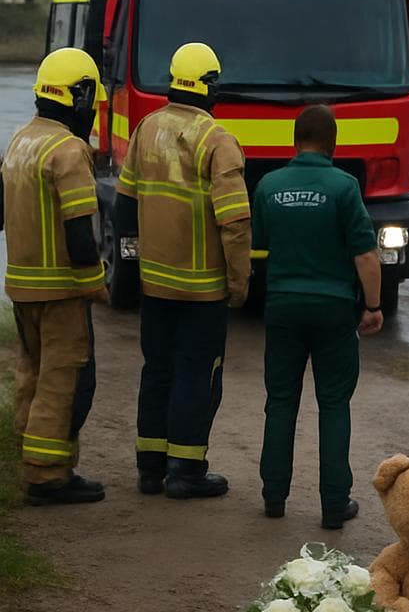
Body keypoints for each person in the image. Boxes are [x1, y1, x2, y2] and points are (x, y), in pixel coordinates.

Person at [115, 41, 251, 498]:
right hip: (202, 290)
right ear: (210, 85)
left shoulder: (146, 128)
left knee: (157, 370)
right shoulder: (218, 140)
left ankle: (150, 468)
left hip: (155, 284)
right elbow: (235, 223)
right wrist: (239, 282)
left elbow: (124, 207)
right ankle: (186, 472)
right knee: (198, 375)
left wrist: (131, 271)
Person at [253, 105, 385, 530]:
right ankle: (334, 504)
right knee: (333, 404)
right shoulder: (344, 187)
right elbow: (365, 255)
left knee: (280, 401)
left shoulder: (269, 185)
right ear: (333, 143)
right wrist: (373, 306)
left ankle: (274, 496)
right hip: (333, 309)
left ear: (295, 140)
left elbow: (258, 243)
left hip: (283, 306)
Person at [1, 48, 108, 506]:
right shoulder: (68, 150)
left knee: (31, 374)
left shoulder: (20, 141)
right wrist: (96, 284)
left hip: (20, 286)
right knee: (63, 381)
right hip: (61, 290)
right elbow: (81, 234)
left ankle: (30, 463)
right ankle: (48, 477)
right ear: (79, 97)